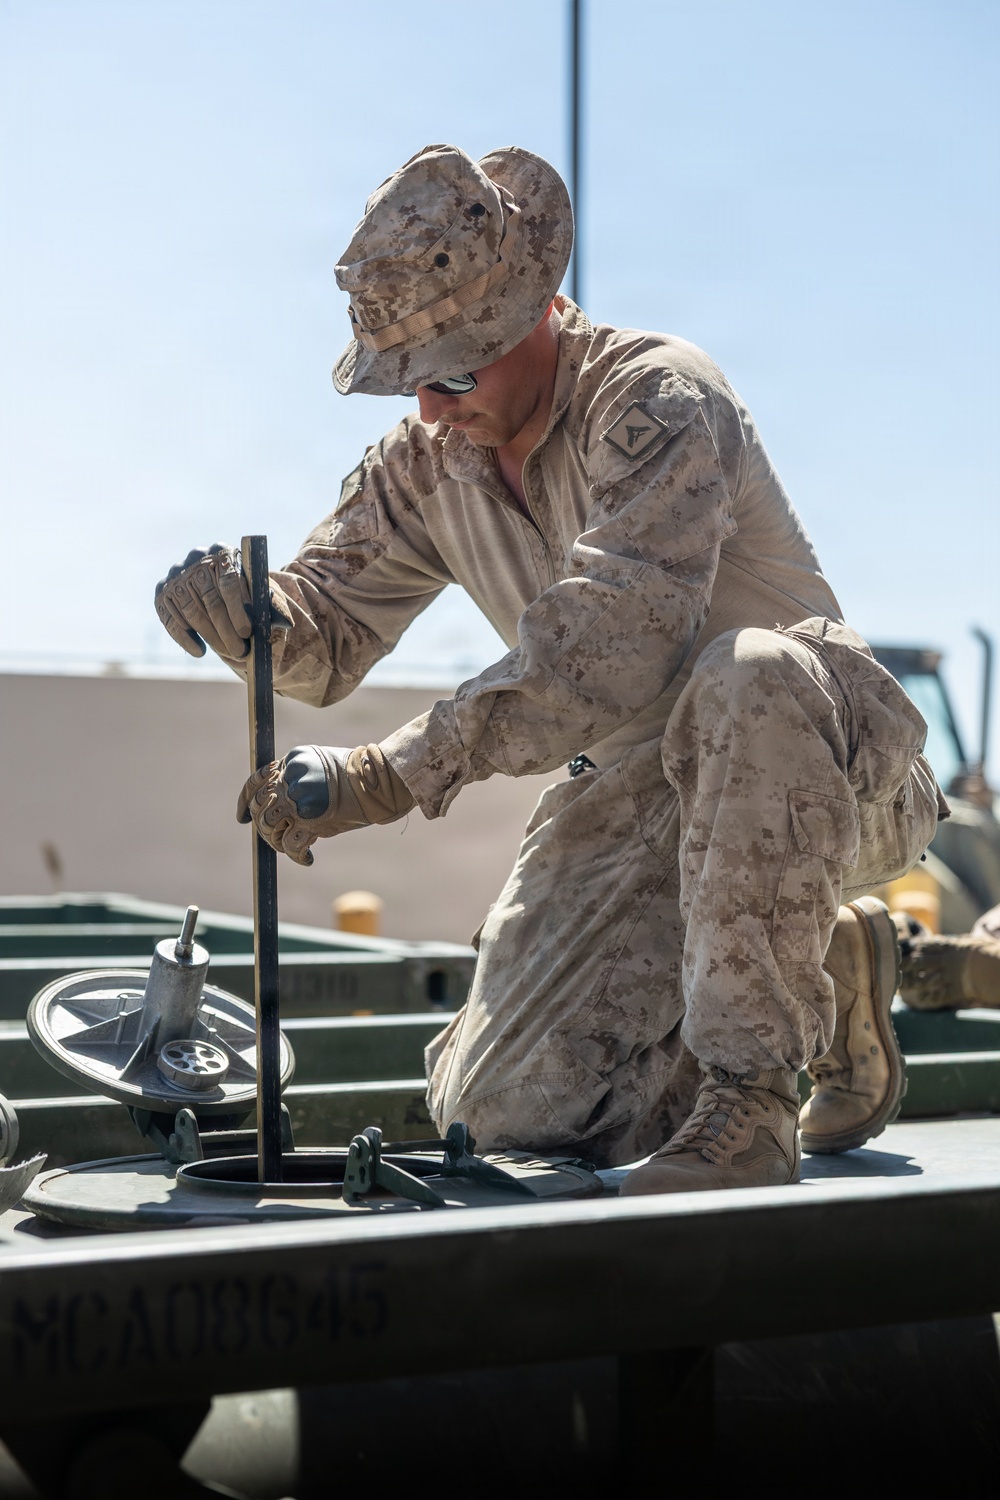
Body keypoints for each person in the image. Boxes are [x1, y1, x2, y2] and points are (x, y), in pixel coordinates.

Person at [155, 144, 947, 1193]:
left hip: (815, 771)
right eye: (409, 384)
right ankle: (824, 956)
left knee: (743, 670)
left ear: (537, 311)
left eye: (449, 373)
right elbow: (323, 640)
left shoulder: (656, 399)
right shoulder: (427, 462)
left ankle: (753, 1104)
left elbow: (607, 649)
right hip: (637, 797)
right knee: (508, 1114)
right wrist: (247, 618)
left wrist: (385, 775)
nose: (430, 411)